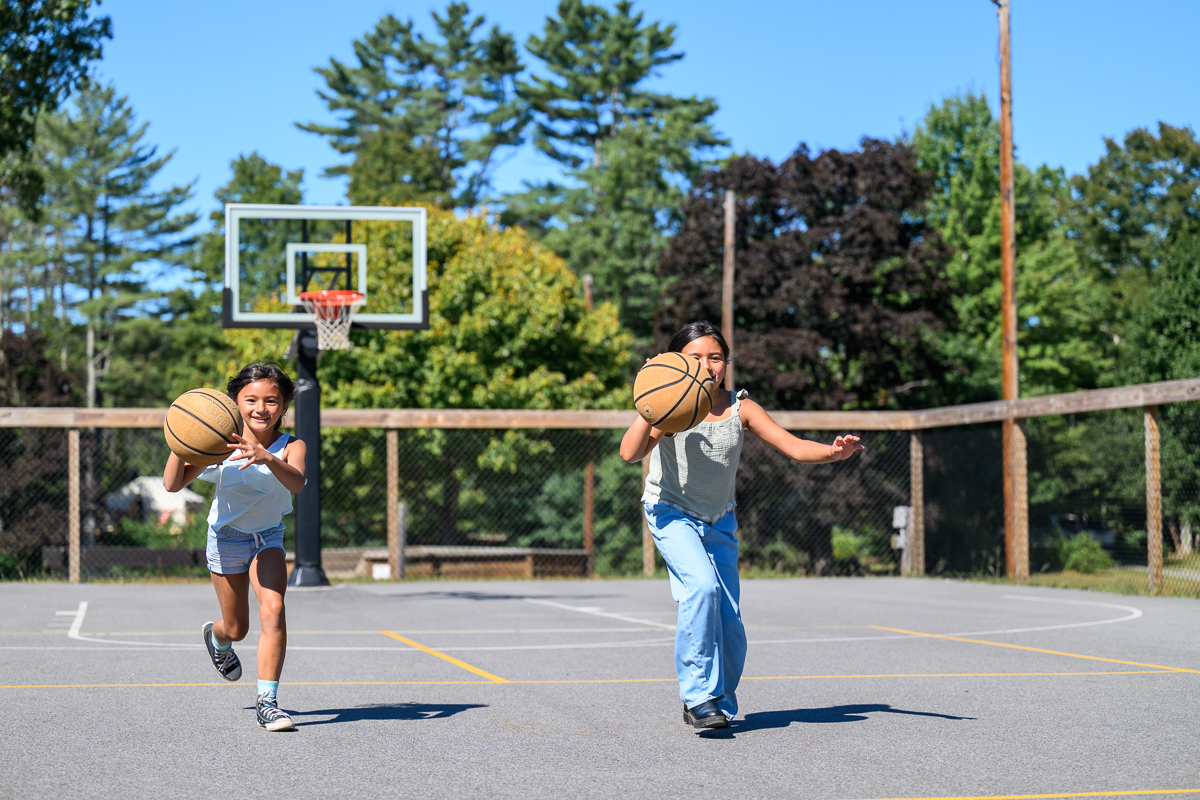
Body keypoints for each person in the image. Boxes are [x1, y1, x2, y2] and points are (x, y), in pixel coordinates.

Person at [620, 321, 864, 730]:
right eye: (694, 357)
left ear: (726, 364)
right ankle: (698, 697)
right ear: (675, 363)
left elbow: (794, 447)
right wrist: (650, 397)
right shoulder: (672, 406)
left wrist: (833, 453)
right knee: (701, 587)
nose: (707, 365)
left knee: (731, 625)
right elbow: (629, 453)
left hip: (718, 521)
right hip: (670, 512)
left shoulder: (741, 408)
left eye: (715, 357)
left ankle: (718, 698)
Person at [163, 362, 307, 732]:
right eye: (252, 400)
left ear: (284, 407)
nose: (262, 408)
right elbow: (171, 484)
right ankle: (217, 637)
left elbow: (297, 484)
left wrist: (267, 457)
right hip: (226, 538)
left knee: (274, 608)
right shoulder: (219, 445)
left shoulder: (291, 446)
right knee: (237, 627)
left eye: (272, 401)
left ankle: (268, 703)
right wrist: (184, 437)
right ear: (235, 403)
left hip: (267, 538)